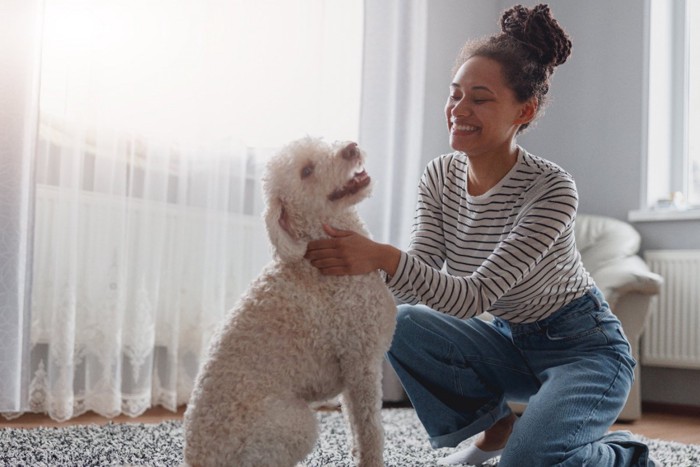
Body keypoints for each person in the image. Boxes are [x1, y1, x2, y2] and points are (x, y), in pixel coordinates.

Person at [305, 4, 659, 466]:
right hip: (511, 343)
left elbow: (474, 296)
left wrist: (382, 257)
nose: (459, 110)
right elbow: (421, 274)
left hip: (586, 351)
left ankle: (624, 458)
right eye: (454, 95)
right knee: (405, 320)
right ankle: (496, 427)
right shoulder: (439, 175)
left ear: (524, 110)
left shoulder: (551, 188)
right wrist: (354, 269)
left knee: (527, 463)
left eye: (480, 97)